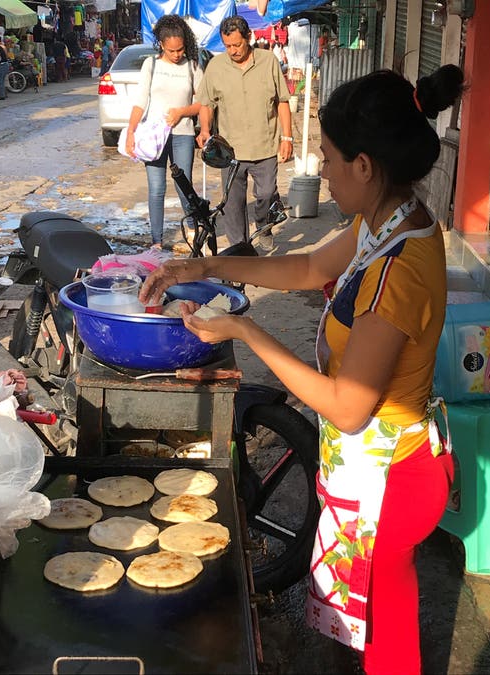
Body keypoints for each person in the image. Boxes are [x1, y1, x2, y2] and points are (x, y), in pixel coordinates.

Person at [140, 64, 467, 675]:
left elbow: (347, 405)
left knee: (387, 647)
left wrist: (244, 328)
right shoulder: (391, 219)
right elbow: (309, 268)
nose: (321, 171)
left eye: (330, 157)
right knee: (374, 629)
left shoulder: (397, 271)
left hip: (391, 481)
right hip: (383, 464)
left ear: (364, 166)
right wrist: (199, 271)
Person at [195, 16, 293, 251]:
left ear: (248, 38)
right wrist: (205, 129)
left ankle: (264, 224)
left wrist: (287, 138)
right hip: (230, 150)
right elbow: (206, 103)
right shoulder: (216, 67)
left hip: (265, 146)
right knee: (232, 204)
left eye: (237, 45)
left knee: (267, 194)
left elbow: (282, 101)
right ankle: (239, 250)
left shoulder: (268, 61)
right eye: (227, 46)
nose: (233, 50)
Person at [125, 15, 203, 248]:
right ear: (161, 45)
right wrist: (131, 132)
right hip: (153, 137)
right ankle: (156, 241)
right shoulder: (152, 65)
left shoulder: (192, 66)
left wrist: (182, 112)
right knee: (156, 189)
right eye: (172, 50)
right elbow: (140, 102)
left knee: (184, 185)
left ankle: (192, 229)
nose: (177, 54)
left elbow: (203, 103)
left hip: (183, 134)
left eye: (180, 49)